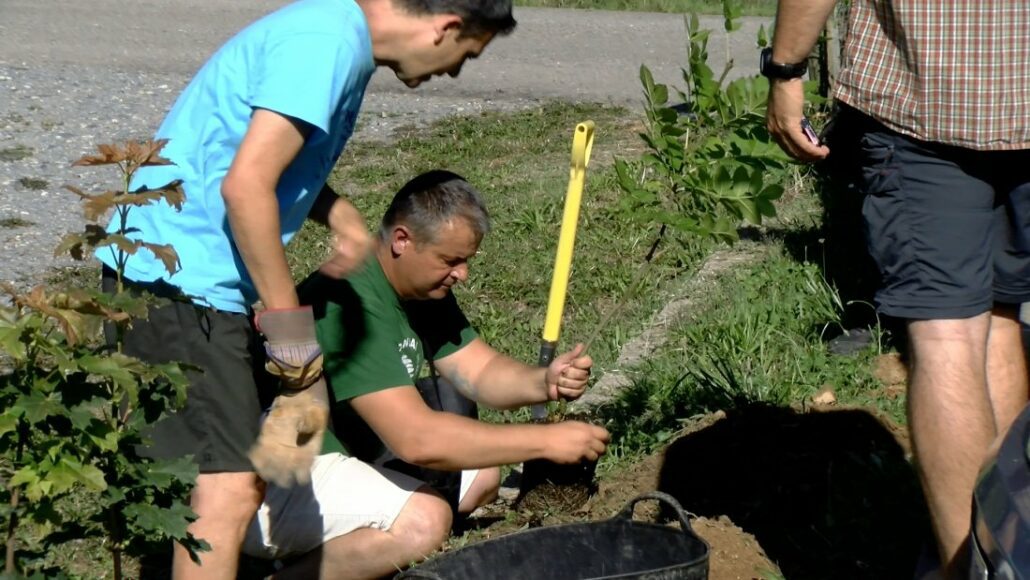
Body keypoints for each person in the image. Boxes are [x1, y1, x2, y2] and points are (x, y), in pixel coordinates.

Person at [96, 0, 516, 576]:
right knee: (226, 492)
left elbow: (249, 158)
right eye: (465, 54)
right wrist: (290, 331)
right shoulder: (327, 46)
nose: (453, 72)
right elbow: (246, 188)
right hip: (178, 280)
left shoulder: (336, 37)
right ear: (444, 26)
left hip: (190, 278)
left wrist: (335, 209)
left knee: (233, 483)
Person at [762, 1, 1030, 576]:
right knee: (1002, 315)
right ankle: (1009, 553)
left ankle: (968, 568)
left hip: (929, 96)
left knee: (947, 333)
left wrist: (785, 71)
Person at [241, 170, 610, 578]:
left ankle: (335, 544)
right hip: (278, 472)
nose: (462, 274)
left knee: (482, 477)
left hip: (336, 453)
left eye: (466, 261)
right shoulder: (350, 301)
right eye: (451, 260)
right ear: (402, 240)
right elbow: (417, 440)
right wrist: (542, 442)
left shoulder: (421, 287)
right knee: (426, 520)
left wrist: (544, 382)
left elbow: (480, 370)